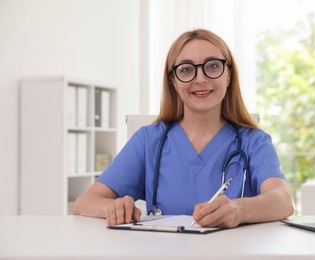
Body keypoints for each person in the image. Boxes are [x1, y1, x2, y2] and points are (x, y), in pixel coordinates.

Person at [73, 29, 294, 228]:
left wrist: (238, 210)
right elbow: (85, 202)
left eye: (213, 66)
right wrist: (112, 208)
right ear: (173, 82)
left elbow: (283, 200)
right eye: (186, 70)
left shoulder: (253, 141)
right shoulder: (148, 141)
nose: (200, 79)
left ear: (228, 75)